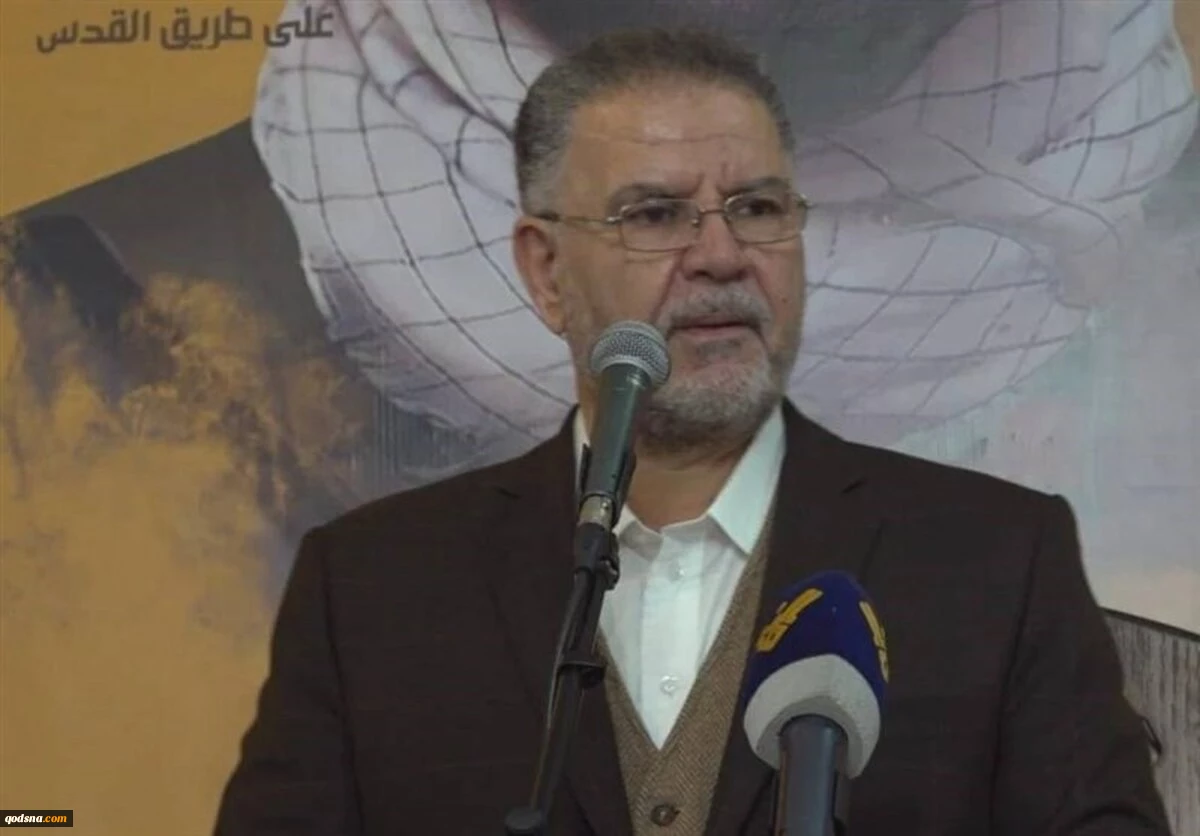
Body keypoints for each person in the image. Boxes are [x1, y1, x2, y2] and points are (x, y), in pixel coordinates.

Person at [213, 27, 1169, 836]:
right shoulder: (371, 588)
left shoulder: (996, 560)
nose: (721, 254)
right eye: (655, 214)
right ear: (546, 271)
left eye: (758, 208)